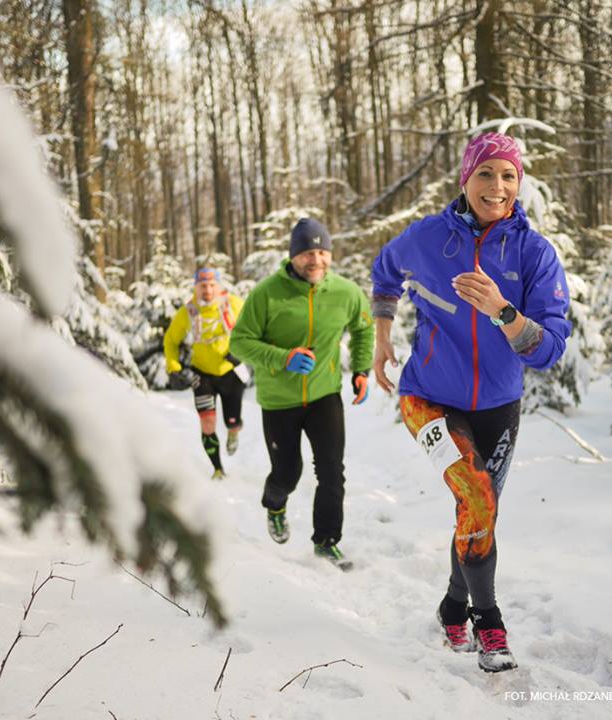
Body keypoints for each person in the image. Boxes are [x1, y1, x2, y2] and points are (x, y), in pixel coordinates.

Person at [371, 132, 571, 672]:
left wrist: (505, 312)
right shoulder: (429, 238)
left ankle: (452, 604)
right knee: (478, 500)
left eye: (508, 175)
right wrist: (382, 333)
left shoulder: (534, 254)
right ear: (466, 178)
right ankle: (490, 623)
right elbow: (384, 271)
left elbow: (549, 350)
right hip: (428, 400)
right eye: (486, 174)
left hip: (500, 406)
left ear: (519, 183)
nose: (497, 186)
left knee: (477, 511)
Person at [229, 218, 374, 570]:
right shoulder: (267, 294)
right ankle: (274, 504)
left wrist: (361, 370)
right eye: (308, 252)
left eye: (323, 252)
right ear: (294, 255)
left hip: (325, 395)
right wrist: (283, 359)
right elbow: (240, 342)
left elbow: (363, 329)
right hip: (280, 400)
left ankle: (326, 541)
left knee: (331, 471)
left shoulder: (345, 292)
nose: (316, 260)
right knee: (287, 472)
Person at [164, 267, 247, 480]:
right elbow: (171, 340)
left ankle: (234, 430)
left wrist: (242, 352)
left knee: (232, 421)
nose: (207, 291)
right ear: (196, 288)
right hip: (202, 376)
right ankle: (218, 469)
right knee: (207, 422)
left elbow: (255, 330)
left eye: (212, 285)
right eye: (203, 286)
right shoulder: (189, 311)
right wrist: (174, 368)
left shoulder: (234, 304)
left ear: (219, 287)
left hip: (231, 373)